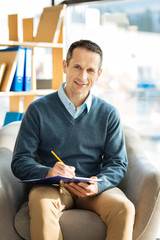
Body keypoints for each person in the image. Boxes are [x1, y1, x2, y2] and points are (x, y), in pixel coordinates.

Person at [11, 39, 135, 240]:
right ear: (64, 66)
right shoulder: (38, 110)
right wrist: (49, 172)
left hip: (93, 189)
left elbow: (118, 163)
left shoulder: (109, 113)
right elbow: (20, 161)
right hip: (53, 188)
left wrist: (99, 184)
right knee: (41, 202)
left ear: (99, 74)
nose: (83, 76)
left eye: (90, 70)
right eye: (77, 66)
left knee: (124, 208)